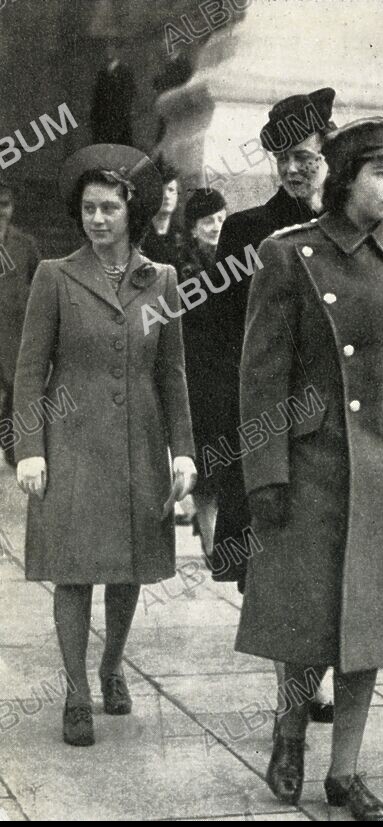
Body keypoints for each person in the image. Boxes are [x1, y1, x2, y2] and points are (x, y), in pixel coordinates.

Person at [235, 117, 383, 820]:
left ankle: (345, 771)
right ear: (345, 179)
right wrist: (265, 474)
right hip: (313, 464)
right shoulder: (290, 254)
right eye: (381, 173)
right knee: (307, 617)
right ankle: (290, 726)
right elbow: (261, 376)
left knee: (372, 625)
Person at [14, 144, 197, 747]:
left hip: (140, 443)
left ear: (131, 211)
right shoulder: (55, 275)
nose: (96, 219)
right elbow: (29, 370)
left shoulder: (161, 279)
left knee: (128, 568)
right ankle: (75, 692)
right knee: (73, 572)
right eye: (89, 208)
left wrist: (184, 450)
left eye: (109, 208)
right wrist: (30, 448)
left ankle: (112, 666)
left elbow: (171, 373)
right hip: (71, 444)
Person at [202, 88, 337, 722]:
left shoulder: (348, 227)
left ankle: (318, 676)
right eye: (283, 158)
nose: (293, 169)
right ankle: (295, 688)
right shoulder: (248, 230)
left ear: (329, 155)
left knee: (331, 553)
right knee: (272, 559)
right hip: (268, 419)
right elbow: (221, 333)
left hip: (334, 419)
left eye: (305, 156)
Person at [178, 187, 229, 559]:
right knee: (207, 463)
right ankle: (212, 542)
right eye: (208, 221)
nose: (216, 227)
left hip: (230, 375)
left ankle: (221, 536)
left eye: (221, 219)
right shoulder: (184, 268)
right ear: (193, 228)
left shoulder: (238, 258)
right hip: (198, 376)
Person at [0, 176, 41, 468]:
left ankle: (13, 447)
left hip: (14, 335)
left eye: (4, 204)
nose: (0, 211)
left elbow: (41, 288)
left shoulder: (25, 245)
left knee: (15, 392)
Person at [140, 157, 182, 268]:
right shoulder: (137, 236)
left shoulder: (183, 237)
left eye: (171, 190)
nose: (166, 196)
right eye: (160, 190)